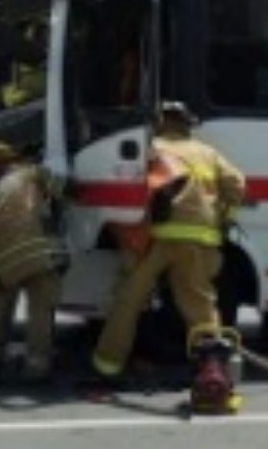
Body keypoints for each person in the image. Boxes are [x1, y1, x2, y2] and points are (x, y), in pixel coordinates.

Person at [91, 101, 246, 382]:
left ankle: (107, 366)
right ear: (188, 125)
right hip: (199, 241)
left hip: (159, 240)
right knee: (199, 306)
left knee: (129, 300)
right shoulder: (208, 152)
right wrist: (224, 216)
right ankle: (212, 372)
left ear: (161, 123)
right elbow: (237, 185)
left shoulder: (153, 149)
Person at [0, 141, 67, 383]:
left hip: (3, 264)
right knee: (40, 312)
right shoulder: (30, 174)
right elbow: (65, 190)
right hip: (39, 256)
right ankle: (37, 367)